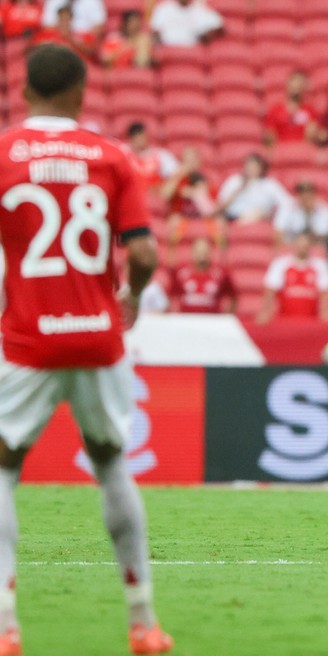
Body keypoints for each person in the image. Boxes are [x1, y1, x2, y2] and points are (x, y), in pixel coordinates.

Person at [0, 44, 172, 654]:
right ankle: (143, 622)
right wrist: (129, 296)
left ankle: (5, 628)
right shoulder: (111, 155)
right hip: (98, 336)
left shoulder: (3, 154)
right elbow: (145, 253)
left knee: (3, 470)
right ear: (81, 93)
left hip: (25, 339)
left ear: (24, 93)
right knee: (109, 462)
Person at [257, 233, 328, 324]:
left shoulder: (320, 265)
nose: (302, 248)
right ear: (294, 245)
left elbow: (326, 292)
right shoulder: (281, 264)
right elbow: (270, 290)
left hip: (311, 320)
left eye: (305, 246)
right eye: (300, 245)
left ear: (310, 246)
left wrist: (326, 315)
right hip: (285, 319)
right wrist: (265, 313)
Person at [159, 146, 219, 246]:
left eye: (193, 160)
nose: (190, 164)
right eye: (187, 161)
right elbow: (164, 195)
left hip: (203, 220)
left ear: (199, 161)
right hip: (180, 218)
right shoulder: (178, 179)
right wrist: (178, 175)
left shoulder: (206, 181)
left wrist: (196, 194)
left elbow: (214, 207)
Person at [214, 153, 291, 225]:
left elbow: (285, 201)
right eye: (248, 166)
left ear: (261, 168)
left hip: (257, 216)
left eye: (254, 166)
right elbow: (220, 206)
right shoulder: (234, 180)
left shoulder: (269, 184)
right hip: (230, 216)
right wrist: (237, 191)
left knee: (259, 212)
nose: (251, 169)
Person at [167, 238, 238, 314]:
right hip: (187, 320)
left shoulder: (220, 274)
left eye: (205, 251)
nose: (202, 254)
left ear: (210, 253)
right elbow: (170, 296)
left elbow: (233, 296)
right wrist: (174, 315)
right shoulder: (181, 273)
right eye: (199, 251)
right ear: (192, 252)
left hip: (212, 321)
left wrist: (226, 317)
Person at [262, 71, 319, 146]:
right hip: (281, 150)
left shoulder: (309, 110)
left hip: (303, 151)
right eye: (294, 83)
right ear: (287, 84)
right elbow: (270, 134)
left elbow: (312, 133)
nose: (296, 86)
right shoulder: (275, 109)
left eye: (300, 84)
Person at [122, 121, 178, 192]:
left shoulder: (160, 155)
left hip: (155, 194)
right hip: (132, 193)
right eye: (135, 136)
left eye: (140, 135)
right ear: (130, 138)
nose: (138, 139)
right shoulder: (124, 153)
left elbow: (174, 174)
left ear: (146, 135)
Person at [274, 180, 328, 244]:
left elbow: (323, 238)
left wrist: (309, 214)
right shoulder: (288, 206)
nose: (305, 196)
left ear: (314, 193)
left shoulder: (324, 209)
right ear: (298, 194)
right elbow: (278, 232)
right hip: (291, 244)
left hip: (314, 246)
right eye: (302, 192)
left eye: (309, 192)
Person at [32, 4, 97, 59]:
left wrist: (70, 38)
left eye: (66, 18)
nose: (64, 21)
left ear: (71, 19)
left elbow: (91, 52)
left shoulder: (82, 35)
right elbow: (35, 48)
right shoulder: (46, 34)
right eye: (62, 18)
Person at [149, 0, 223, 47]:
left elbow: (219, 24)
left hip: (191, 49)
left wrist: (208, 33)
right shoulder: (164, 8)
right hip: (167, 48)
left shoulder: (199, 10)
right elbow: (155, 29)